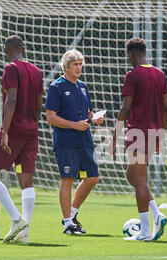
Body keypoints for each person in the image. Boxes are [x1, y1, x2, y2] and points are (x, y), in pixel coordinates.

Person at [0, 35, 44, 242]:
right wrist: (32, 122)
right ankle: (24, 235)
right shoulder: (37, 71)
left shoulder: (11, 68)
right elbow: (39, 105)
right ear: (23, 49)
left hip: (14, 129)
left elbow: (12, 99)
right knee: (26, 179)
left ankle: (17, 219)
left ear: (6, 51)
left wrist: (5, 132)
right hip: (31, 129)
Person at [112, 37, 167, 241]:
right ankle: (156, 214)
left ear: (131, 54)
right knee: (133, 176)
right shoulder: (160, 74)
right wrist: (161, 134)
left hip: (138, 133)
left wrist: (114, 138)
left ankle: (145, 231)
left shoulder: (132, 75)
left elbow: (125, 109)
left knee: (141, 180)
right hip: (153, 132)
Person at [45, 49, 104, 236]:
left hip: (84, 140)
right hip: (66, 142)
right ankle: (68, 224)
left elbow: (88, 113)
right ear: (66, 66)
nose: (79, 68)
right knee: (67, 179)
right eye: (75, 64)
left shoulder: (83, 87)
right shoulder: (56, 87)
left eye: (81, 64)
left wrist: (95, 118)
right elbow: (51, 118)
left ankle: (71, 214)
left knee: (93, 178)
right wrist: (73, 125)